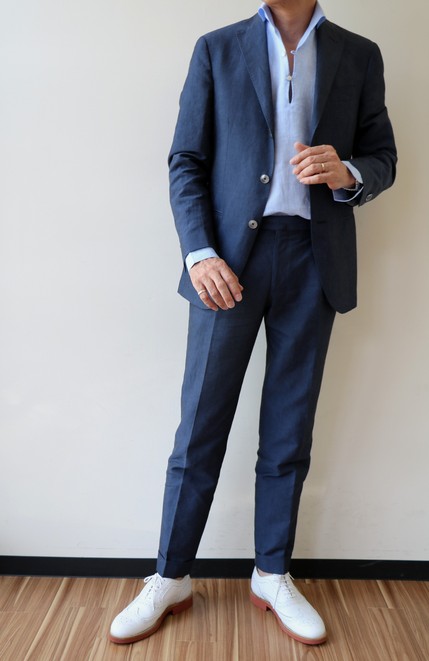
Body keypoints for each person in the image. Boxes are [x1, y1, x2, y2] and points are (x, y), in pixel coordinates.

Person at [110, 0, 396, 647]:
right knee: (199, 428)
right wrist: (199, 252)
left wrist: (348, 172)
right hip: (227, 264)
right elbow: (186, 160)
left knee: (289, 429)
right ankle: (169, 576)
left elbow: (383, 155)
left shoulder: (358, 54)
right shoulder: (216, 48)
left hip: (314, 260)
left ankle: (271, 572)